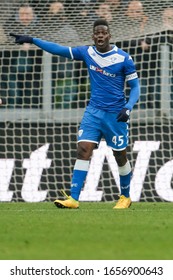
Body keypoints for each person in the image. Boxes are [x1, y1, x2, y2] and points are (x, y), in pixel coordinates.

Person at [10, 18, 140, 209]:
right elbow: (58, 49)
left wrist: (128, 107)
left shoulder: (123, 58)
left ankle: (125, 197)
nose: (100, 36)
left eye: (103, 32)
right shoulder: (87, 52)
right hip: (93, 112)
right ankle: (73, 199)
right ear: (93, 36)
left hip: (115, 114)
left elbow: (135, 87)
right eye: (97, 33)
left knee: (120, 156)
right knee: (83, 149)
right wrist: (33, 39)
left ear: (109, 35)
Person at [2, 3, 42, 108]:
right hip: (11, 67)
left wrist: (32, 44)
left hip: (33, 68)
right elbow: (4, 41)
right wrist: (19, 45)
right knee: (13, 94)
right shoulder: (9, 25)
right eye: (22, 14)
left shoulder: (41, 26)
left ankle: (31, 119)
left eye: (28, 14)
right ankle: (12, 119)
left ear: (33, 15)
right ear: (17, 15)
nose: (25, 17)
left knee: (31, 94)